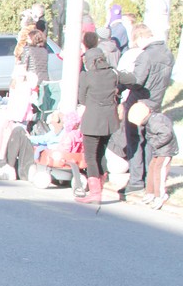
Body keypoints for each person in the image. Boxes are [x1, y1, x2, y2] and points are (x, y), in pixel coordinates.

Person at [117, 22, 175, 193]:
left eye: (136, 42)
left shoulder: (146, 56)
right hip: (156, 103)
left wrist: (121, 78)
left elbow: (137, 81)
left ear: (141, 37)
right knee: (150, 141)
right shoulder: (167, 54)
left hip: (138, 102)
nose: (137, 46)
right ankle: (149, 178)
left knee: (134, 140)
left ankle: (136, 180)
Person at [76, 46, 121, 204]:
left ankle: (95, 192)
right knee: (101, 153)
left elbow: (81, 99)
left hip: (92, 121)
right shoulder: (113, 74)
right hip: (109, 121)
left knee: (90, 156)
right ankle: (101, 185)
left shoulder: (86, 76)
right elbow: (132, 79)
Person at [127, 103, 178, 210]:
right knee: (152, 168)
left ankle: (160, 195)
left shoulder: (155, 122)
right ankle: (150, 192)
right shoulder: (151, 120)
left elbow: (167, 134)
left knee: (159, 171)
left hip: (165, 150)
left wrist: (155, 144)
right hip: (159, 150)